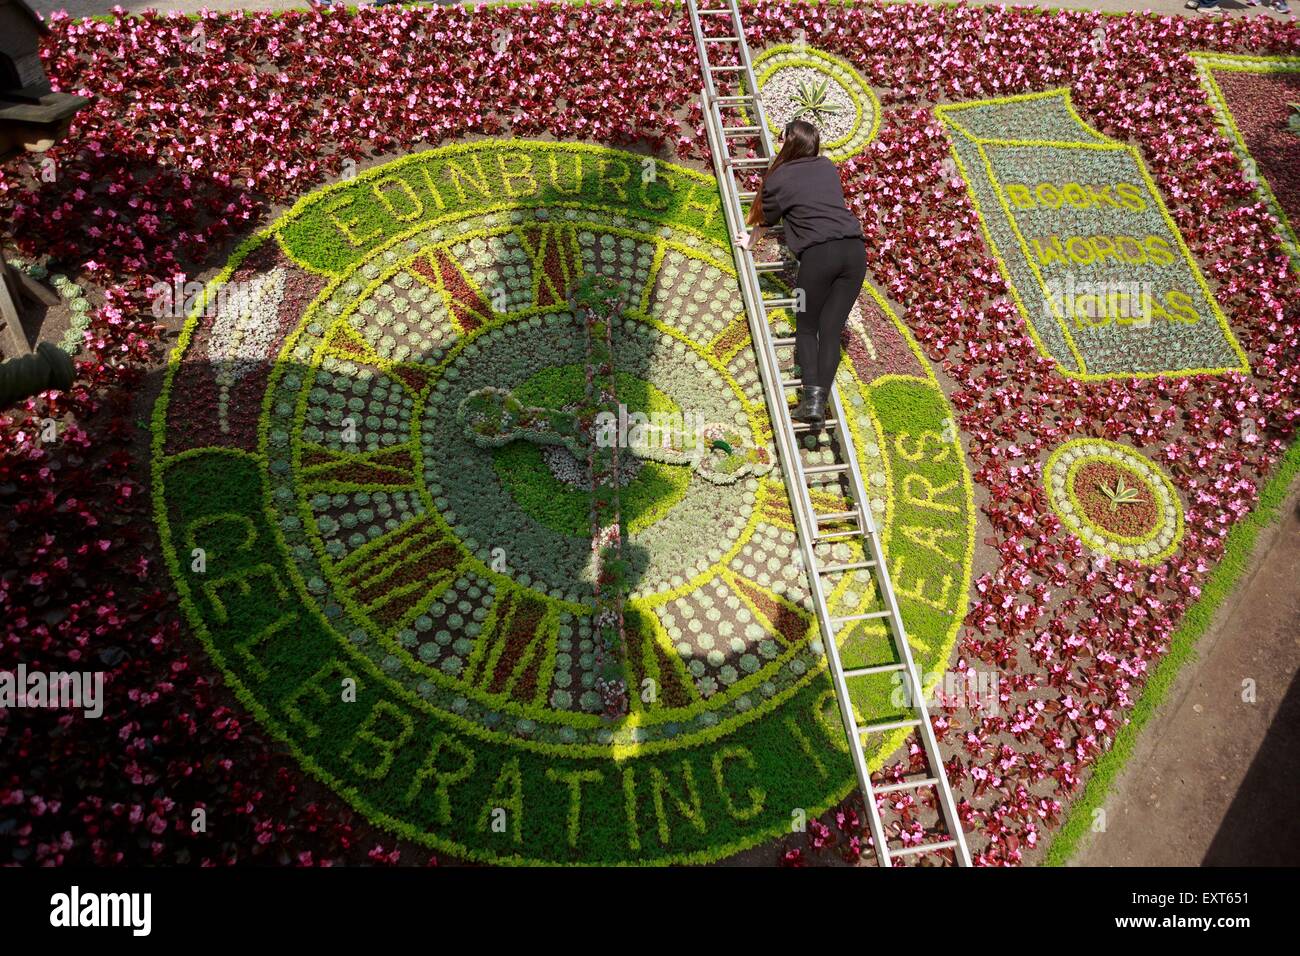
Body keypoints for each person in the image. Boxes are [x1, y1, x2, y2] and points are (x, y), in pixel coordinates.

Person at [737, 119, 867, 429]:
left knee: (807, 328)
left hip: (819, 257)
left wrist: (750, 241)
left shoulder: (778, 178)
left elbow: (766, 220)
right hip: (854, 254)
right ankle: (818, 402)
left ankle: (810, 403)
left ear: (788, 143)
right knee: (831, 330)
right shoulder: (826, 166)